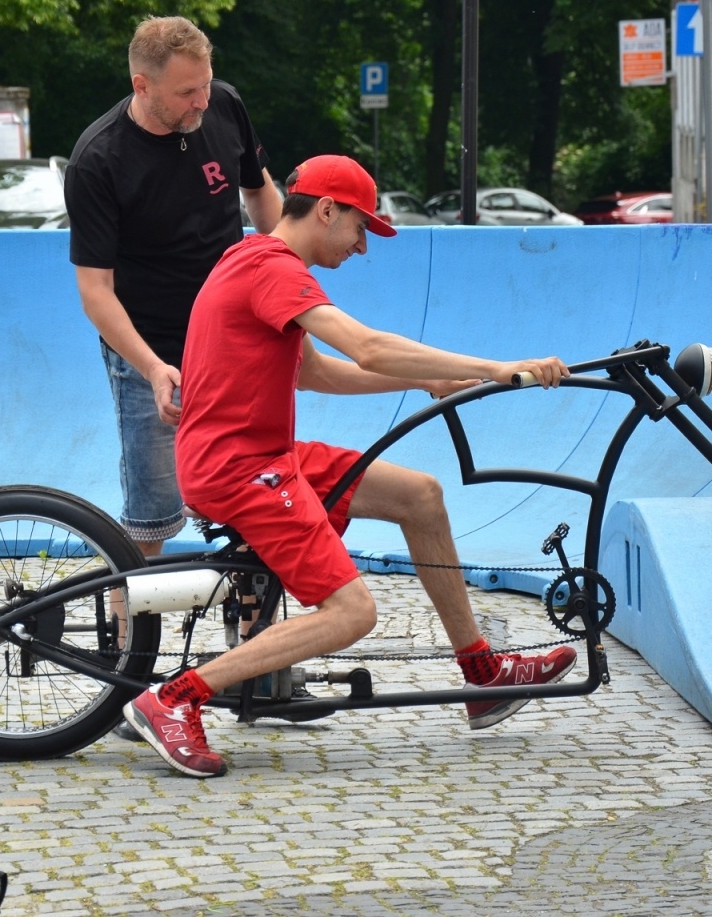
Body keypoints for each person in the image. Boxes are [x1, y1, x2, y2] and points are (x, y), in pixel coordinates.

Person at [122, 154, 576, 778]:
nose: (364, 247)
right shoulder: (270, 266)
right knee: (353, 612)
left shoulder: (262, 263)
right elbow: (364, 346)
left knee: (420, 495)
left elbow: (314, 372)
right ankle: (173, 698)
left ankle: (483, 675)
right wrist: (498, 366)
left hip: (264, 455)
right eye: (361, 229)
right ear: (327, 210)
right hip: (237, 468)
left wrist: (430, 381)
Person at [65, 16, 283, 557]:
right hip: (153, 350)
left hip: (235, 340)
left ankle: (251, 635)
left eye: (207, 82)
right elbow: (95, 290)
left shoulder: (225, 104)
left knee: (254, 499)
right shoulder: (98, 159)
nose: (202, 101)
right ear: (143, 86)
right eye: (188, 91)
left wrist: (286, 274)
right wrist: (152, 368)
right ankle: (128, 639)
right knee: (151, 517)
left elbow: (260, 196)